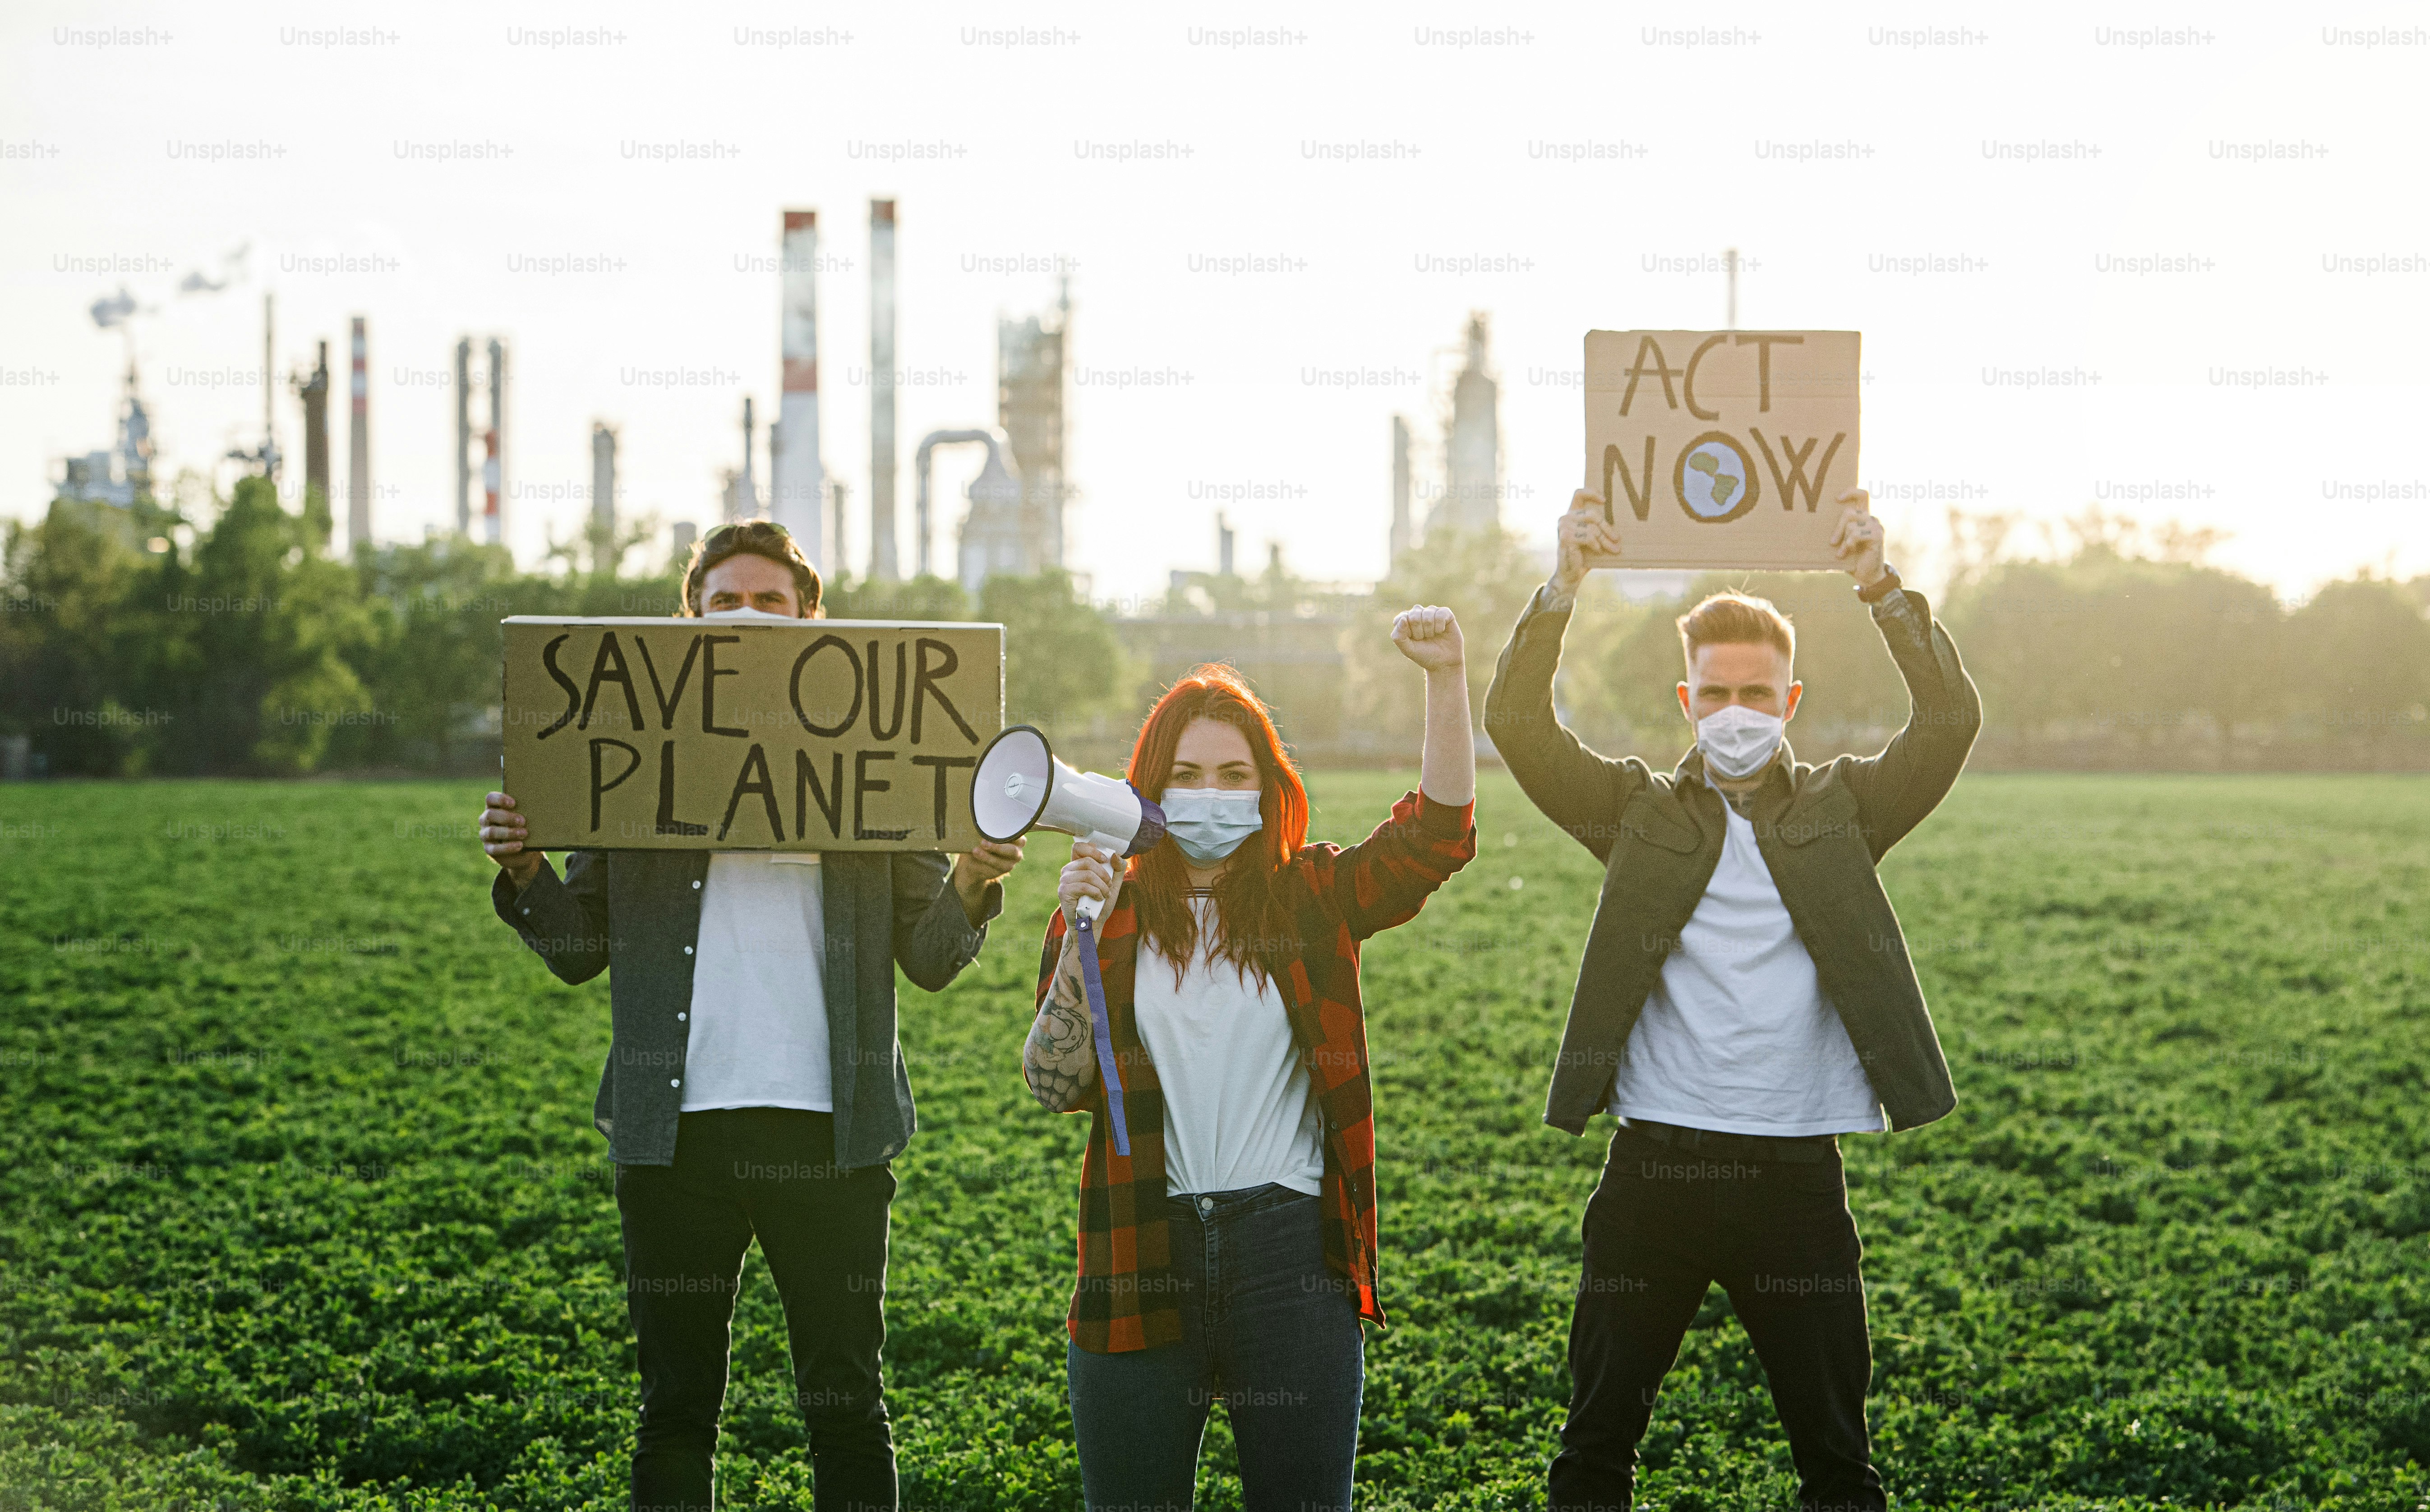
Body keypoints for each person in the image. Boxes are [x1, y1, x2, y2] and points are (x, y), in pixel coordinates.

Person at [476, 519, 1024, 1512]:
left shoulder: (877, 763)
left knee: (847, 1403)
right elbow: (577, 952)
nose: (746, 617)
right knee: (675, 1408)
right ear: (687, 620)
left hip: (834, 1136)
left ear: (815, 620)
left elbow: (934, 958)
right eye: (723, 599)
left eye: (770, 601)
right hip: (672, 1139)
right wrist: (525, 871)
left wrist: (978, 882)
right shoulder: (640, 765)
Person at [1485, 489, 1982, 1512]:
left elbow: (1948, 719)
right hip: (1652, 1178)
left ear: (1790, 702)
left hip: (1797, 1183)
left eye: (1758, 694)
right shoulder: (1635, 812)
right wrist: (1565, 582)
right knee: (1592, 1456)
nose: (1737, 714)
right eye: (1716, 695)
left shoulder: (1847, 809)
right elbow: (1518, 723)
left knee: (1840, 1468)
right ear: (1686, 700)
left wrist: (1878, 585)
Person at [1022, 609, 1478, 1512]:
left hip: (1291, 1253)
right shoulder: (1105, 915)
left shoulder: (1310, 893)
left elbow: (1438, 835)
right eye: (1185, 775)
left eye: (1235, 774)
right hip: (1139, 1247)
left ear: (1267, 788)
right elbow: (1050, 1081)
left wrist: (1448, 677)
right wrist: (1079, 934)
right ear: (1149, 789)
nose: (1210, 793)